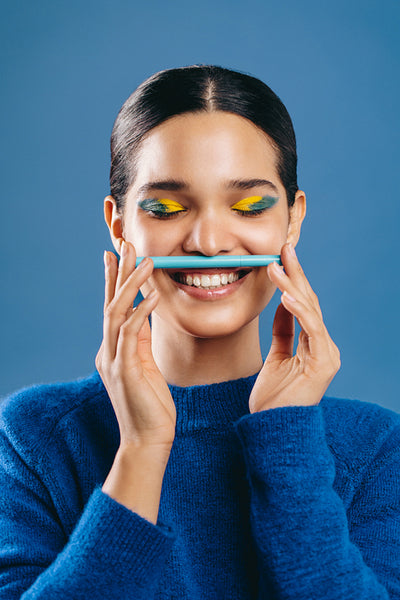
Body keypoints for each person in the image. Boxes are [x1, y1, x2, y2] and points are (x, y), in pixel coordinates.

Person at [0, 64, 399, 600]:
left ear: (293, 219)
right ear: (120, 226)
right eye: (165, 207)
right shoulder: (32, 438)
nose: (209, 241)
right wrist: (142, 448)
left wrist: (286, 437)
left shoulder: (375, 448)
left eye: (250, 205)